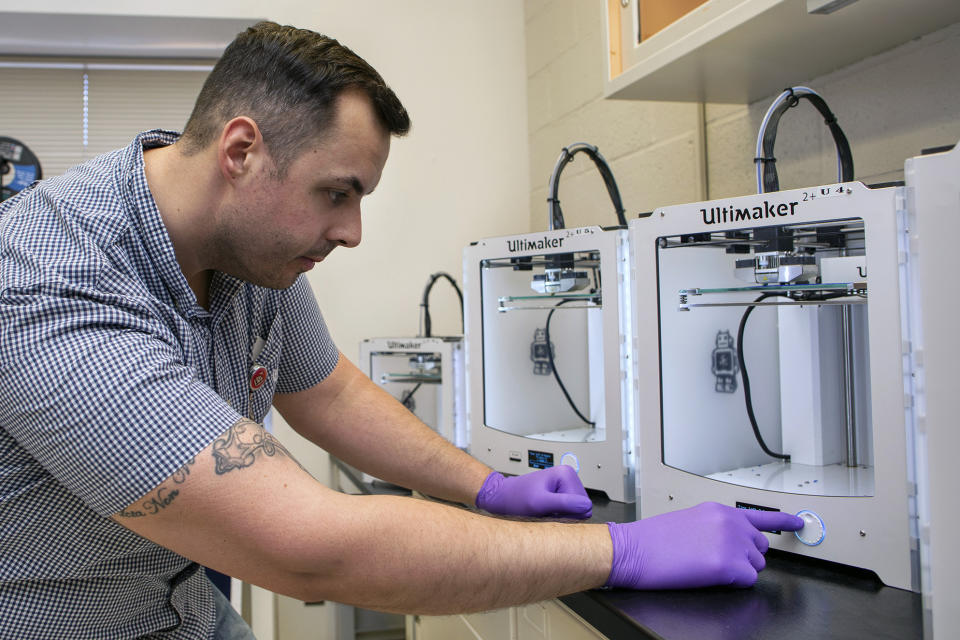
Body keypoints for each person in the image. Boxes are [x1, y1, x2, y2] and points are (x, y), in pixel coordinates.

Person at [0, 21, 802, 638]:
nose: (351, 232)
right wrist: (624, 554)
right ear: (242, 151)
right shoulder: (45, 281)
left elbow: (331, 389)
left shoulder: (250, 257)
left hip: (186, 616)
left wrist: (485, 486)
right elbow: (310, 546)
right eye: (337, 193)